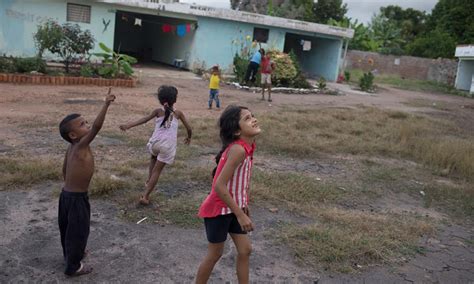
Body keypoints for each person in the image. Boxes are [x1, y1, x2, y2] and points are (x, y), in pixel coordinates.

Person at [196, 105, 261, 284]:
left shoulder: (248, 147)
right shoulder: (238, 150)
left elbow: (239, 182)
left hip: (233, 208)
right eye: (247, 118)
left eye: (253, 115)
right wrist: (240, 215)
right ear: (237, 131)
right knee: (215, 253)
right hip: (218, 210)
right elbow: (219, 185)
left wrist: (243, 203)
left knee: (245, 249)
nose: (254, 119)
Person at [58, 89, 116, 276]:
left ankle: (72, 254)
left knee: (67, 228)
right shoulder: (82, 144)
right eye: (82, 125)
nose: (87, 126)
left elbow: (64, 170)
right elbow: (97, 127)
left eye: (86, 122)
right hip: (77, 198)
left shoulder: (72, 147)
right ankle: (73, 267)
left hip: (66, 196)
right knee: (79, 231)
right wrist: (106, 104)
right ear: (73, 135)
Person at [119, 85, 192, 205]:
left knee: (153, 157)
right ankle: (145, 196)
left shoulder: (157, 111)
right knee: (157, 171)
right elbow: (189, 128)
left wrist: (128, 125)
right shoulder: (178, 113)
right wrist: (189, 137)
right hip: (166, 146)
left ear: (160, 100)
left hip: (154, 143)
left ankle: (149, 179)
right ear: (175, 100)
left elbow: (144, 119)